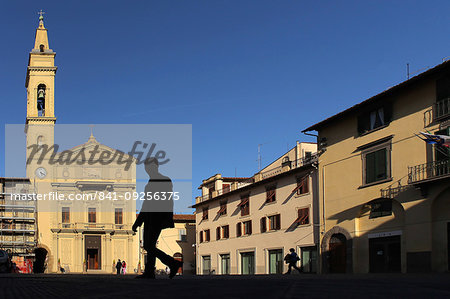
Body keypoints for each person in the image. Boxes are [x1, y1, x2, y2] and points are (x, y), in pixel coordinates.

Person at [133, 158, 183, 279]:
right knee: (149, 246)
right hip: (150, 218)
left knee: (149, 246)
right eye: (146, 167)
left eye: (149, 167)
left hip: (156, 218)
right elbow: (146, 204)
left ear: (156, 166)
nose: (147, 169)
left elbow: (167, 201)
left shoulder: (164, 180)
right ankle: (150, 272)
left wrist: (165, 218)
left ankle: (172, 263)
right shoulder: (149, 184)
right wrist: (138, 222)